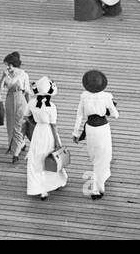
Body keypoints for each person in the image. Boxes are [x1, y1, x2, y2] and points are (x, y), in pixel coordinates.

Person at [72, 69, 118, 200]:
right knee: (103, 156)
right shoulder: (106, 96)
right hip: (102, 128)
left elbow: (79, 116)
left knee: (95, 157)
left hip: (90, 128)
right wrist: (110, 109)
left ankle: (101, 180)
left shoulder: (84, 96)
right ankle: (97, 189)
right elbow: (115, 115)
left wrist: (75, 133)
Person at [25, 76, 68, 199]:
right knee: (51, 158)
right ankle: (56, 182)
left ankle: (40, 189)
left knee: (36, 159)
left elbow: (26, 116)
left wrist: (36, 124)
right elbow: (54, 126)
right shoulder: (52, 106)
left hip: (38, 131)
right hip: (48, 132)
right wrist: (57, 142)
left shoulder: (32, 103)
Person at [0, 51, 32, 164]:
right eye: (7, 65)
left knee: (18, 126)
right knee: (11, 125)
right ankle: (20, 145)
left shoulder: (23, 74)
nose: (8, 67)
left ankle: (15, 153)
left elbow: (27, 92)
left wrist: (30, 108)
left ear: (14, 65)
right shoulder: (6, 75)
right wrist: (3, 77)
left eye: (9, 65)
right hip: (9, 100)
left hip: (20, 100)